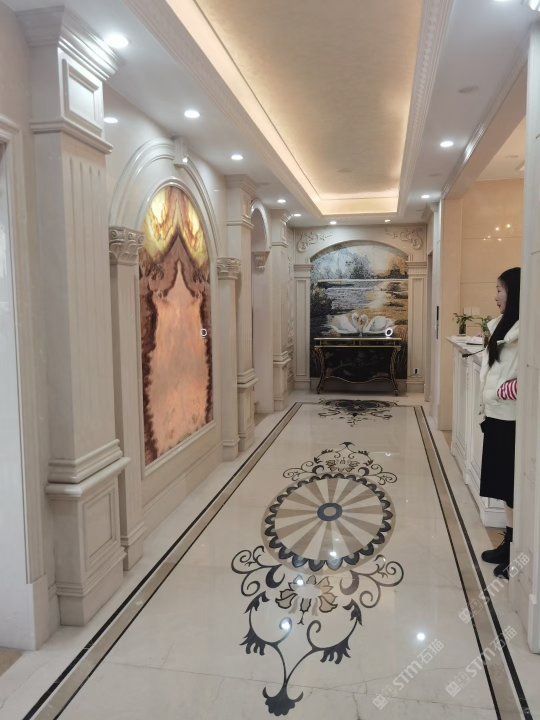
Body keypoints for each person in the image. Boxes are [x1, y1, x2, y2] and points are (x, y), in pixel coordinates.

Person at [479, 267, 520, 579]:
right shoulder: (500, 325)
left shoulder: (528, 330)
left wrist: (502, 391)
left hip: (512, 420)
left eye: (500, 289)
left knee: (514, 489)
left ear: (514, 292)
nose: (495, 296)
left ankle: (518, 553)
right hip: (495, 415)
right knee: (504, 487)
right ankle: (509, 544)